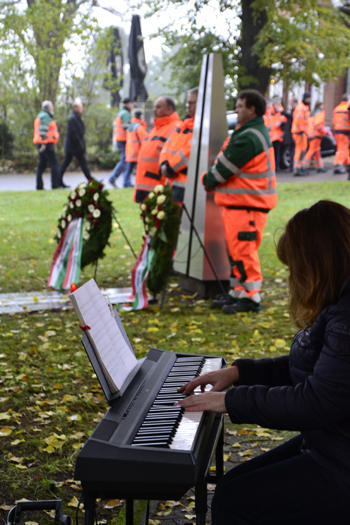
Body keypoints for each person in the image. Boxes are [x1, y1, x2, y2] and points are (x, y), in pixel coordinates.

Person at [177, 200, 350, 525]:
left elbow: (315, 402)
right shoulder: (340, 303)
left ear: (318, 265)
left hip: (340, 459)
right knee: (231, 487)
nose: (291, 280)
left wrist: (230, 401)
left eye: (294, 269)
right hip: (333, 443)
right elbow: (318, 371)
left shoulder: (346, 316)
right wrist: (240, 372)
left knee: (235, 502)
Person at [203, 89, 277, 314]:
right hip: (240, 205)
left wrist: (207, 179)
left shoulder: (248, 137)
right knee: (237, 252)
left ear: (252, 109)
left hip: (246, 206)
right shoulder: (249, 132)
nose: (236, 109)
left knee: (244, 252)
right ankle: (238, 293)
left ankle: (250, 298)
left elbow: (223, 169)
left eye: (240, 105)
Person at [133, 97, 180, 203]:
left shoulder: (176, 127)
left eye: (158, 107)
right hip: (145, 185)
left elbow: (171, 159)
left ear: (169, 109)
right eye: (155, 107)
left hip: (157, 186)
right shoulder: (156, 129)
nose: (154, 110)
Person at [159, 87, 198, 203]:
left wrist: (169, 167)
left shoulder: (202, 126)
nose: (188, 105)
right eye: (187, 102)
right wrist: (163, 164)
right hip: (171, 182)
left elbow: (191, 150)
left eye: (191, 102)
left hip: (185, 185)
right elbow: (167, 145)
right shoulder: (182, 125)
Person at [59, 98, 91, 187]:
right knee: (67, 163)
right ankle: (91, 180)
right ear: (76, 108)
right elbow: (74, 134)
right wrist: (80, 144)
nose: (82, 109)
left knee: (81, 163)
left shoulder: (76, 118)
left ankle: (90, 180)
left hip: (75, 147)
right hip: (73, 147)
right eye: (81, 107)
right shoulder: (72, 119)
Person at [33, 100, 60, 190]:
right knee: (55, 163)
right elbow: (43, 129)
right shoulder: (45, 116)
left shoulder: (41, 115)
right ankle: (55, 185)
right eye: (52, 106)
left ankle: (39, 186)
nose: (53, 108)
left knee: (42, 165)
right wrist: (44, 144)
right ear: (48, 108)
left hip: (41, 143)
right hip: (46, 143)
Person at [109, 97, 134, 187]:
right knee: (125, 160)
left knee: (125, 161)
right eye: (131, 104)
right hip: (123, 139)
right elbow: (126, 127)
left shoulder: (121, 112)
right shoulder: (126, 113)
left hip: (120, 139)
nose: (132, 106)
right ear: (128, 104)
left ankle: (126, 183)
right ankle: (112, 178)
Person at [123, 111, 148, 188]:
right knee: (139, 169)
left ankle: (126, 183)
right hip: (137, 152)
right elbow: (145, 140)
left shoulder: (131, 126)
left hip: (130, 151)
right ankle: (137, 183)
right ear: (140, 117)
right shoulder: (139, 127)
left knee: (129, 169)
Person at [291, 91, 311, 176]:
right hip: (299, 132)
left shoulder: (302, 107)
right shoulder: (301, 107)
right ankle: (297, 168)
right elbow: (299, 119)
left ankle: (298, 167)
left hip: (300, 132)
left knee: (301, 149)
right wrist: (302, 130)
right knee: (299, 150)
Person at [304, 101, 327, 173]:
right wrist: (324, 132)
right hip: (316, 134)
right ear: (320, 105)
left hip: (310, 134)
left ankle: (319, 166)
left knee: (316, 150)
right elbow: (318, 125)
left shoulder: (313, 113)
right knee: (312, 150)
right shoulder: (320, 113)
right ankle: (303, 166)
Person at [332, 93, 350, 176]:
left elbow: (334, 121)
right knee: (343, 149)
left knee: (341, 149)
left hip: (337, 131)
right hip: (345, 131)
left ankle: (347, 165)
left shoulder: (337, 108)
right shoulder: (347, 108)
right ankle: (337, 165)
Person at [267, 96, 287, 171]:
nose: (278, 105)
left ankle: (276, 167)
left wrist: (281, 123)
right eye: (277, 104)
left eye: (279, 104)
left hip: (278, 136)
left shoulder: (281, 112)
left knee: (277, 152)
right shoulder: (269, 112)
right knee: (272, 153)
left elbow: (285, 120)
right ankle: (273, 167)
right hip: (271, 136)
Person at [281, 97, 298, 172]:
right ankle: (292, 166)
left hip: (293, 134)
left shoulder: (296, 110)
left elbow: (291, 117)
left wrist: (282, 112)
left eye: (290, 102)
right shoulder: (294, 110)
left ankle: (292, 166)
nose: (289, 103)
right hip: (291, 134)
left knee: (292, 151)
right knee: (291, 150)